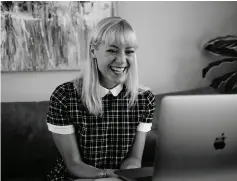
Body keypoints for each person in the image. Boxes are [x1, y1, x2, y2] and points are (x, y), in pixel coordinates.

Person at [46, 16, 156, 181]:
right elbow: (74, 165)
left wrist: (126, 174)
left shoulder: (144, 99)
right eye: (112, 50)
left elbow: (134, 159)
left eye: (129, 51)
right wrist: (107, 174)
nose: (121, 60)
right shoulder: (64, 96)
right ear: (93, 51)